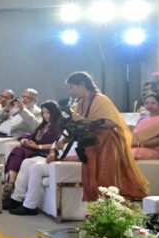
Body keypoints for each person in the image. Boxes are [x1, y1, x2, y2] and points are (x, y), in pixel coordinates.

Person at [55, 71, 147, 201]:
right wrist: (64, 140)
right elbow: (78, 127)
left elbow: (111, 122)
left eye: (72, 87)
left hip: (106, 144)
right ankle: (96, 210)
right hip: (89, 145)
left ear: (82, 84)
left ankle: (111, 210)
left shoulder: (101, 99)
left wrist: (86, 121)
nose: (70, 92)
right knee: (90, 180)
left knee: (105, 179)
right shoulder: (79, 104)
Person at [0, 100, 63, 200]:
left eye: (47, 113)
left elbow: (56, 145)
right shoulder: (44, 124)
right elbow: (33, 136)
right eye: (43, 113)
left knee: (20, 151)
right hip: (34, 149)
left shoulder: (59, 126)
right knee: (19, 149)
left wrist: (37, 147)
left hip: (44, 152)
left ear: (54, 112)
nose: (45, 115)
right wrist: (25, 139)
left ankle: (10, 185)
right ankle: (11, 183)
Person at [132, 93, 159, 160]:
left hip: (154, 150)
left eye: (153, 103)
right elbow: (136, 136)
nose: (149, 105)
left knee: (124, 154)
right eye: (146, 103)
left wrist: (139, 144)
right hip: (137, 147)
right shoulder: (142, 119)